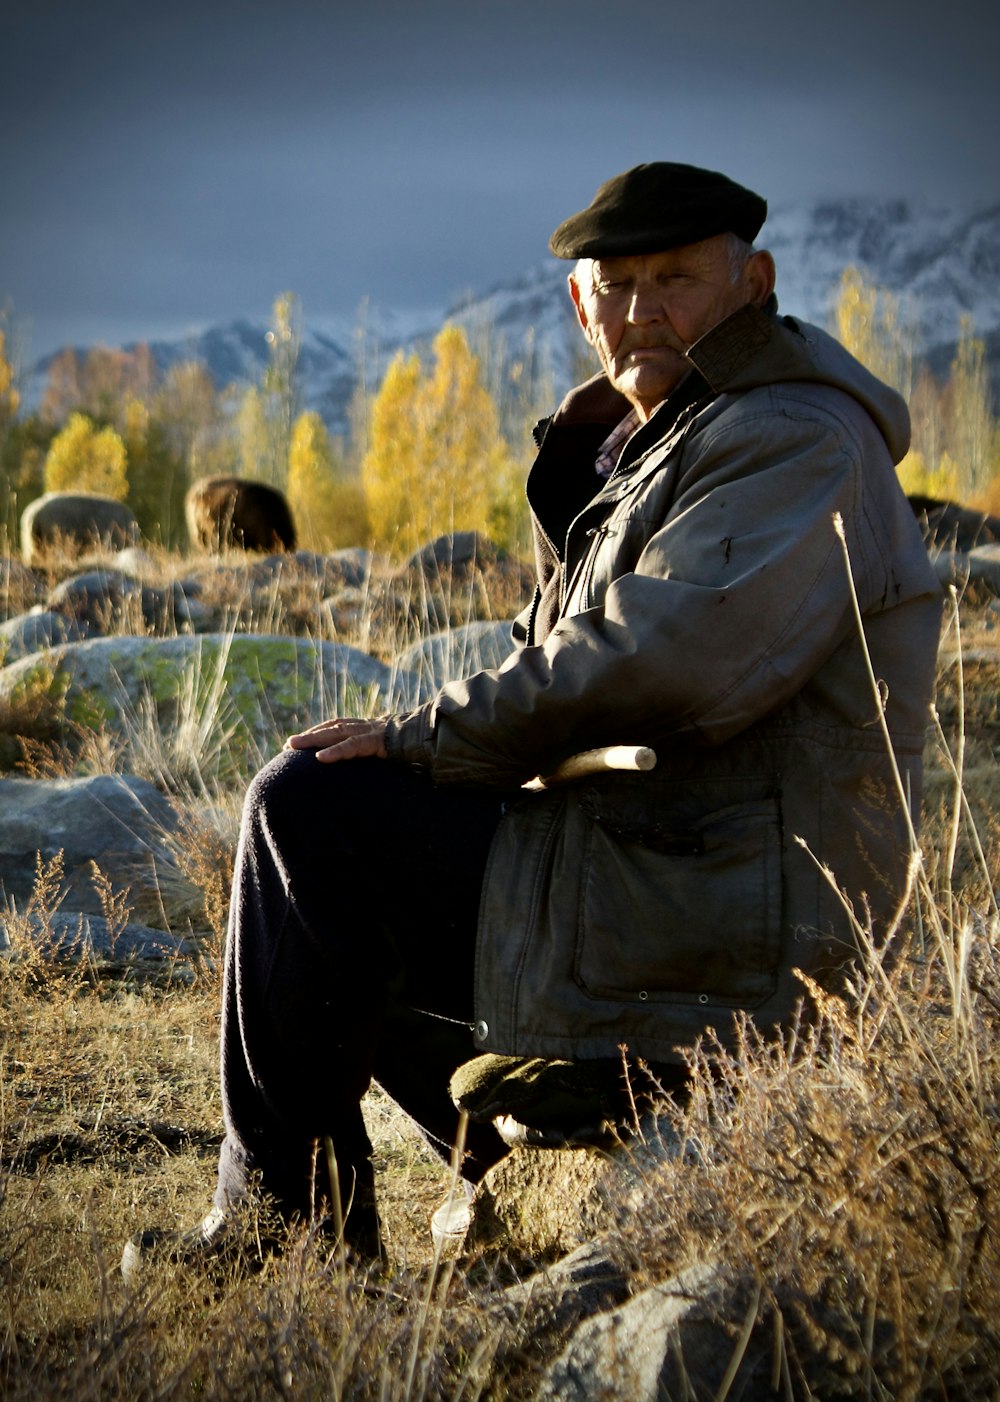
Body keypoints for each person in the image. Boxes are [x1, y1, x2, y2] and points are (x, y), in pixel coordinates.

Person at [123, 162, 941, 1277]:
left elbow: (660, 663)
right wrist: (416, 744)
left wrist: (418, 738)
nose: (644, 308)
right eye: (617, 283)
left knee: (316, 818)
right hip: (651, 861)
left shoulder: (791, 438)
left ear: (753, 282)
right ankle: (479, 1186)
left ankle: (288, 1232)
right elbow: (552, 666)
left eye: (678, 278)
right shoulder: (654, 442)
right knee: (335, 837)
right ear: (577, 304)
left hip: (731, 906)